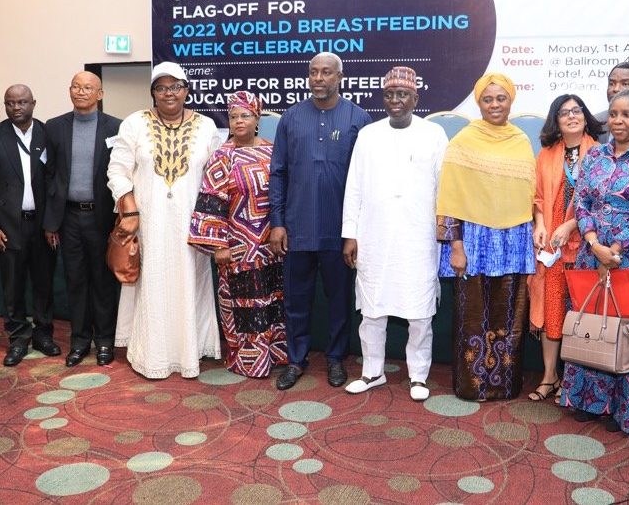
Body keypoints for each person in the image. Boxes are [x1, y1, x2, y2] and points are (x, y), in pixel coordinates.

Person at [559, 88, 629, 434]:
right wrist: (594, 244)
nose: (618, 121)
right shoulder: (594, 157)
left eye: (627, 115)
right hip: (592, 256)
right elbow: (583, 205)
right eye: (614, 114)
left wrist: (616, 249)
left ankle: (626, 408)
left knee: (627, 330)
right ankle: (591, 401)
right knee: (593, 323)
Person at [108, 61, 222, 379]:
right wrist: (129, 208)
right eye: (161, 87)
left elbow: (215, 178)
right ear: (153, 93)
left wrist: (212, 224)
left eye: (175, 87)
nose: (168, 93)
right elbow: (117, 170)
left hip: (190, 224)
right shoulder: (134, 124)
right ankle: (153, 354)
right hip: (149, 222)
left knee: (189, 282)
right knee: (153, 283)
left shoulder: (207, 127)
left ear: (186, 90)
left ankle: (189, 351)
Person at [341, 66, 448, 401]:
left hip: (419, 237)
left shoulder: (434, 134)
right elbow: (354, 187)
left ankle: (418, 376)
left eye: (403, 94)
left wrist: (444, 231)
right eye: (390, 94)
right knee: (372, 309)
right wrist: (350, 233)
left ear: (415, 98)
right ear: (383, 98)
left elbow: (445, 189)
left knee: (419, 313)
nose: (396, 100)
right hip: (374, 235)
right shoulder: (368, 135)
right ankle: (372, 372)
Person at [268, 52, 370, 390]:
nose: (319, 78)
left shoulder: (358, 118)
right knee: (296, 300)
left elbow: (366, 181)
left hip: (340, 231)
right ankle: (296, 360)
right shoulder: (291, 118)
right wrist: (278, 222)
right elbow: (278, 173)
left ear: (340, 77)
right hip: (296, 230)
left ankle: (336, 358)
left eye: (326, 72)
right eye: (313, 72)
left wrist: (356, 232)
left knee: (339, 300)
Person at [436, 72, 536, 401]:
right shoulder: (463, 141)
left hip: (512, 241)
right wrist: (456, 247)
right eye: (487, 99)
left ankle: (505, 384)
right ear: (479, 103)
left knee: (509, 313)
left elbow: (529, 198)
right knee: (472, 315)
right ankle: (472, 386)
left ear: (511, 101)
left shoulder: (521, 141)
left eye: (501, 98)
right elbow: (449, 197)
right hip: (474, 241)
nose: (495, 105)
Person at [190, 90, 286, 378]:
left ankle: (278, 353)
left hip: (272, 245)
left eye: (245, 115)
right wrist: (218, 245)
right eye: (233, 116)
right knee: (245, 306)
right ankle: (249, 360)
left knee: (275, 300)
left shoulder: (273, 151)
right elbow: (210, 201)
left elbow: (284, 195)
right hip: (238, 247)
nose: (239, 121)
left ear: (257, 118)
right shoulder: (222, 156)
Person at [526, 94, 602, 401]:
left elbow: (600, 203)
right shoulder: (546, 154)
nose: (571, 116)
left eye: (576, 110)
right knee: (552, 308)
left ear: (585, 117)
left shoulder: (600, 153)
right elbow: (538, 197)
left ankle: (574, 382)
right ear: (555, 120)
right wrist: (541, 224)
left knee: (580, 313)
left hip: (586, 243)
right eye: (563, 112)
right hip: (552, 247)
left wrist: (571, 225)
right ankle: (549, 377)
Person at [0, 84, 58, 367]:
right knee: (12, 285)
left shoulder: (49, 133)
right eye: (10, 103)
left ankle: (43, 334)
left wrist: (53, 223)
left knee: (43, 282)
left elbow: (55, 182)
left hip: (43, 224)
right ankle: (18, 338)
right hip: (8, 226)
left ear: (33, 103)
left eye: (22, 102)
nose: (16, 108)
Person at [43, 71, 121, 367]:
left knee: (102, 281)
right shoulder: (54, 127)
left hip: (102, 217)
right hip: (69, 218)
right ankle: (79, 342)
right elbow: (49, 177)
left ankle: (104, 341)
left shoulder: (116, 127)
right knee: (75, 281)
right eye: (75, 86)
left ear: (99, 94)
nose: (80, 92)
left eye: (88, 88)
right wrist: (51, 222)